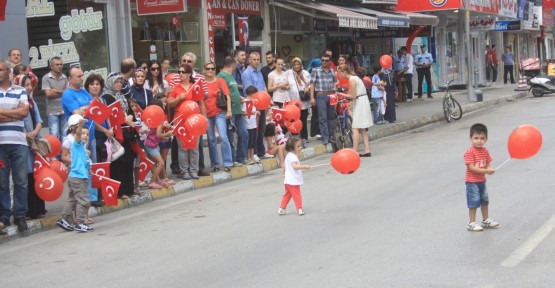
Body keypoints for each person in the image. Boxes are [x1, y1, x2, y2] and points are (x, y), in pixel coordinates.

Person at [0, 59, 29, 232]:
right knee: (2, 182)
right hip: (0, 143)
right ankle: (4, 215)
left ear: (9, 72)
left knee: (21, 181)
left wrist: (2, 112)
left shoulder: (20, 90)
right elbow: (18, 113)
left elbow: (24, 113)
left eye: (0, 70)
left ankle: (20, 215)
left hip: (18, 142)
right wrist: (14, 114)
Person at [56, 115, 94, 233]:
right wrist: (80, 125)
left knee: (72, 199)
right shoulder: (76, 143)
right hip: (78, 177)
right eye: (82, 133)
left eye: (87, 134)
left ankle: (64, 219)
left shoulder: (82, 148)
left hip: (75, 176)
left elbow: (85, 163)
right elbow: (77, 135)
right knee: (83, 200)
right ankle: (81, 222)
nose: (85, 136)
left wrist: (89, 169)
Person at [102, 75, 138, 199]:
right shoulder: (106, 97)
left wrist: (130, 118)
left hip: (127, 133)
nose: (119, 84)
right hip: (116, 133)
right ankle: (119, 191)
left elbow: (130, 112)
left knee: (128, 161)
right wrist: (124, 120)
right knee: (118, 163)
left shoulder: (122, 96)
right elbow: (110, 116)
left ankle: (129, 189)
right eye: (116, 82)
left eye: (120, 82)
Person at [168, 64, 203, 179]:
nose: (180, 74)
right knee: (182, 146)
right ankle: (184, 170)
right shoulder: (175, 87)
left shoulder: (195, 86)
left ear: (189, 74)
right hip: (180, 119)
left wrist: (204, 118)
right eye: (179, 72)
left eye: (183, 72)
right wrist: (178, 98)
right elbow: (169, 103)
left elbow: (200, 102)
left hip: (194, 119)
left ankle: (194, 170)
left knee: (194, 146)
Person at [19, 74, 45, 219]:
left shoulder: (32, 102)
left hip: (35, 139)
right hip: (24, 143)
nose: (29, 87)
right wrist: (30, 138)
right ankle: (29, 210)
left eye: (30, 85)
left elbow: (39, 120)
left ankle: (39, 209)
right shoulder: (18, 103)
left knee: (38, 174)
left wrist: (35, 133)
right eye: (25, 85)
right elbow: (20, 124)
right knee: (27, 176)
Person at [464, 123, 499, 232]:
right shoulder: (469, 152)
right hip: (472, 182)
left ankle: (485, 220)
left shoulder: (485, 151)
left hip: (481, 182)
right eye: (476, 138)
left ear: (486, 139)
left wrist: (490, 170)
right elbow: (472, 168)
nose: (479, 141)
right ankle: (471, 222)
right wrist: (486, 171)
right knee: (473, 202)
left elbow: (487, 163)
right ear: (471, 138)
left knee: (484, 201)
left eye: (482, 138)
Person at [203, 61, 233, 171]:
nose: (210, 71)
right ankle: (215, 164)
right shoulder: (201, 83)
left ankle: (228, 162)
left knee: (223, 137)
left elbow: (228, 96)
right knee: (211, 139)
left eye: (212, 68)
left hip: (219, 112)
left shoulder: (220, 81)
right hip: (206, 114)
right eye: (208, 68)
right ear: (204, 70)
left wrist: (229, 110)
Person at [336, 65, 373, 157]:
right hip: (362, 101)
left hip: (360, 102)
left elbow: (353, 96)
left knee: (355, 128)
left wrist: (339, 93)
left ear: (345, 72)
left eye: (340, 72)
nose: (339, 74)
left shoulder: (352, 80)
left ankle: (354, 151)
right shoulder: (355, 78)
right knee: (362, 128)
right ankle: (367, 150)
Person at [242, 52, 268, 161]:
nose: (256, 61)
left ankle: (261, 152)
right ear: (249, 60)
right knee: (255, 130)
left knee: (262, 129)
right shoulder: (247, 73)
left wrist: (268, 101)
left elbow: (264, 87)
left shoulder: (259, 72)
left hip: (262, 103)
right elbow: (250, 91)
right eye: (254, 59)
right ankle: (255, 153)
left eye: (258, 59)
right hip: (254, 105)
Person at [144, 100, 174, 189]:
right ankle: (152, 182)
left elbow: (155, 134)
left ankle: (157, 180)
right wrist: (167, 134)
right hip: (151, 145)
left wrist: (163, 137)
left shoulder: (152, 118)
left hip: (150, 143)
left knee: (153, 164)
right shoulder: (159, 119)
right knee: (161, 163)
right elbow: (158, 134)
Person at [277, 138, 310, 216]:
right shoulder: (293, 157)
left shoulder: (288, 155)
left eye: (300, 146)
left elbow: (285, 166)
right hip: (293, 181)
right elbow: (295, 166)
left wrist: (284, 174)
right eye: (298, 146)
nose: (300, 148)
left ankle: (282, 208)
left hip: (288, 180)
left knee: (288, 194)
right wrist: (304, 166)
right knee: (297, 194)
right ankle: (300, 209)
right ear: (292, 148)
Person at [310, 53, 337, 145]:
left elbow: (335, 83)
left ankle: (331, 136)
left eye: (326, 60)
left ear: (330, 62)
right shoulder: (315, 70)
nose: (324, 62)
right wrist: (312, 98)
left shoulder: (332, 71)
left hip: (331, 95)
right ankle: (325, 137)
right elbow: (312, 84)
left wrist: (335, 92)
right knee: (322, 117)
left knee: (331, 117)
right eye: (322, 60)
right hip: (320, 95)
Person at [42, 56, 68, 143]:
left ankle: (64, 155)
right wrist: (62, 92)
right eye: (57, 64)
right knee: (54, 135)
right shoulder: (46, 78)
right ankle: (55, 156)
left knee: (65, 135)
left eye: (61, 64)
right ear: (51, 66)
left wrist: (55, 90)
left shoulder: (65, 77)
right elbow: (48, 94)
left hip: (64, 110)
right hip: (52, 111)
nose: (60, 66)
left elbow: (67, 94)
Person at [287, 57, 311, 146]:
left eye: (298, 64)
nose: (296, 66)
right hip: (293, 100)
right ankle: (295, 136)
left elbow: (310, 84)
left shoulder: (306, 73)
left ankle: (304, 136)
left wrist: (307, 89)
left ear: (301, 65)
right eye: (295, 64)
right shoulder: (289, 73)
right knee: (294, 119)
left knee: (303, 119)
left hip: (303, 101)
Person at [244, 86, 260, 165]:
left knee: (253, 141)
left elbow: (254, 110)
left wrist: (256, 112)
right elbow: (243, 112)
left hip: (254, 124)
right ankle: (248, 157)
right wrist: (251, 113)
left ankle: (252, 156)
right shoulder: (245, 102)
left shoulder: (253, 102)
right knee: (249, 142)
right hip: (248, 125)